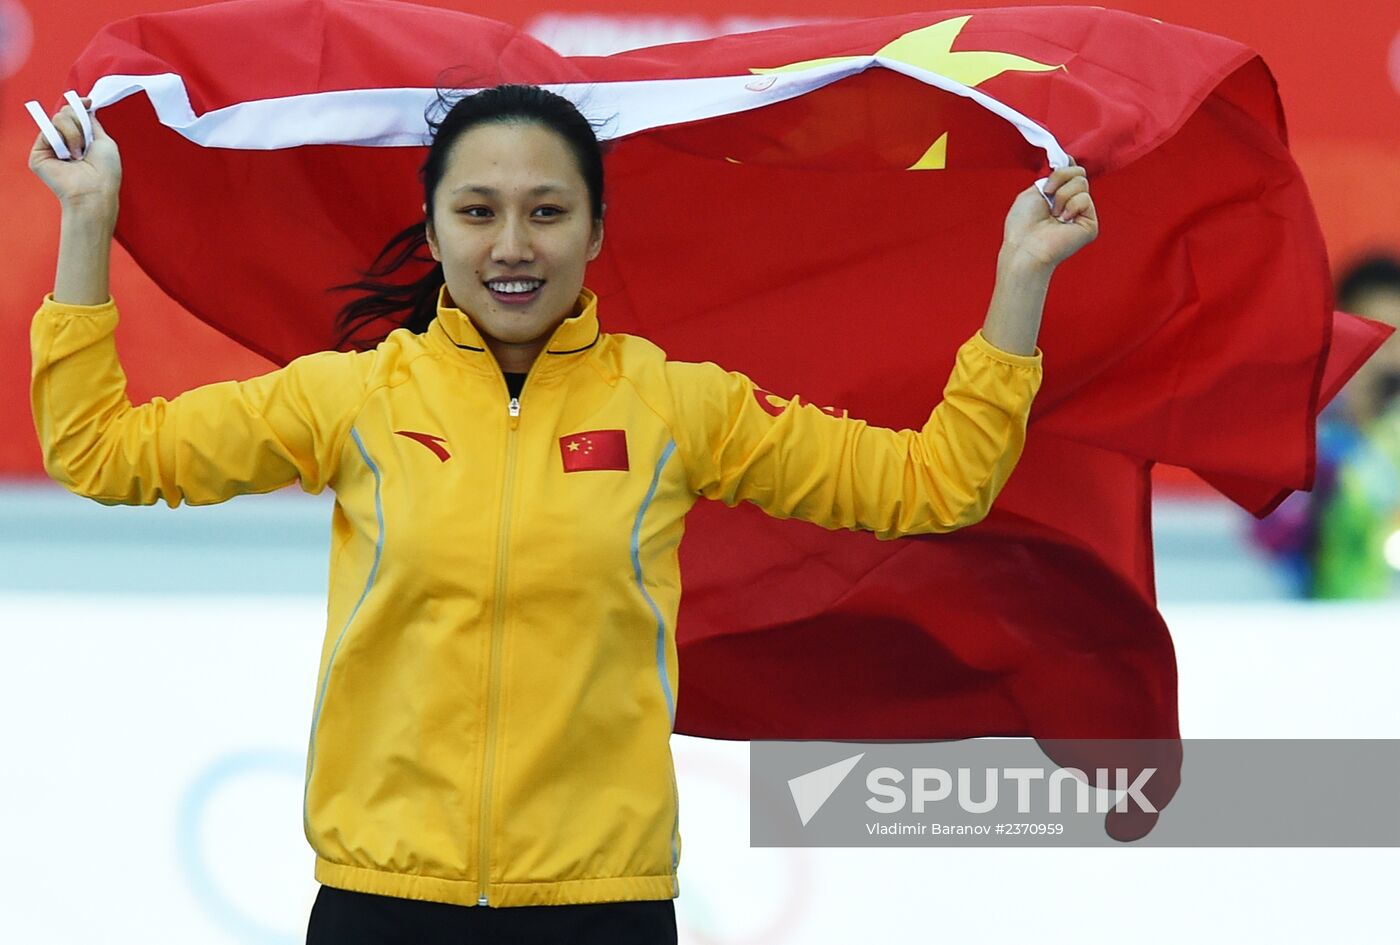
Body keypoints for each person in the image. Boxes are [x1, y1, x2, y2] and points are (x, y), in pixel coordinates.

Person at [28, 84, 1097, 943]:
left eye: (546, 212)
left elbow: (930, 484)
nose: (512, 244)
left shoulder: (673, 403)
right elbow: (104, 455)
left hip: (602, 906)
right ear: (435, 228)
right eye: (478, 211)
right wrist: (87, 220)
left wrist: (1019, 279)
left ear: (594, 233)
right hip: (380, 902)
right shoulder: (355, 397)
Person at [1249, 254, 1400, 599]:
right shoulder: (1301, 429)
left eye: (1398, 337)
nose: (1386, 354)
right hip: (1307, 618)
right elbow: (1270, 534)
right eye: (1375, 333)